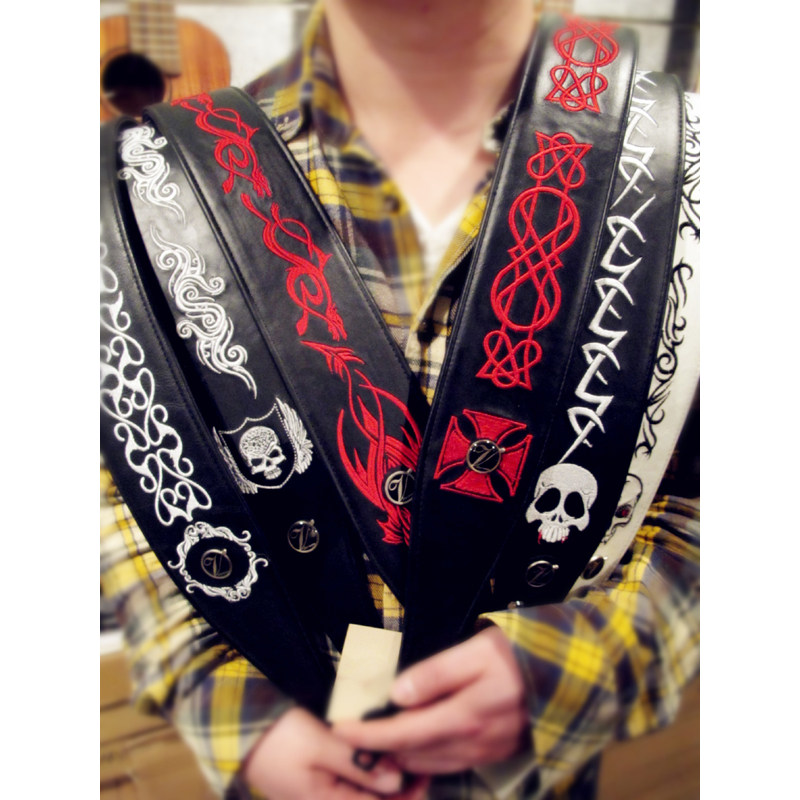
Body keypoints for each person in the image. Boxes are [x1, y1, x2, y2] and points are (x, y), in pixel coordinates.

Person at [100, 1, 700, 798]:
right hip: (290, 737)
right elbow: (124, 465)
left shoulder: (688, 160)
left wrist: (578, 663)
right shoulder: (141, 183)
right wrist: (236, 714)